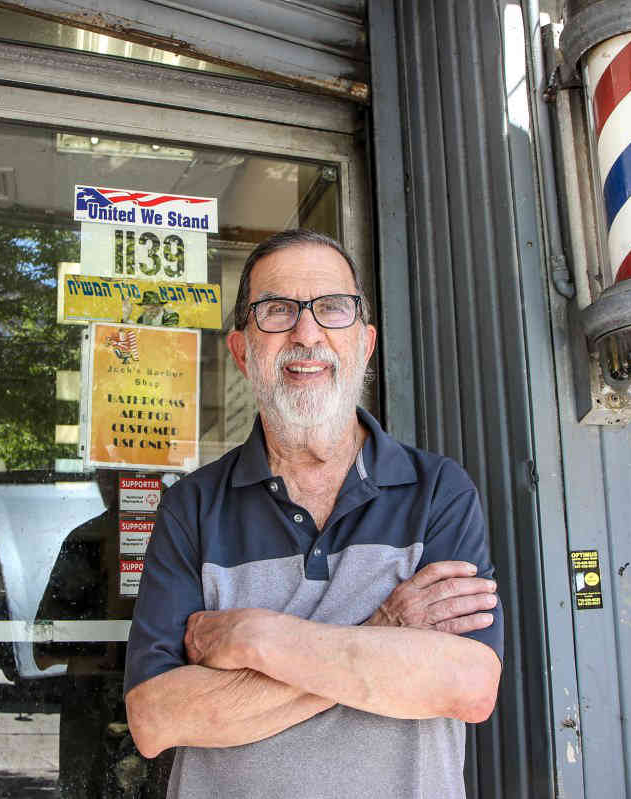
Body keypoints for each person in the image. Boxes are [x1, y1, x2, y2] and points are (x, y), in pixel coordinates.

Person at [123, 229, 503, 798]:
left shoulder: (436, 491)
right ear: (241, 351)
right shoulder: (193, 505)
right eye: (277, 311)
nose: (306, 333)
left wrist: (257, 638)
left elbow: (467, 685)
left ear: (366, 343)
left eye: (331, 309)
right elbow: (157, 721)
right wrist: (385, 631)